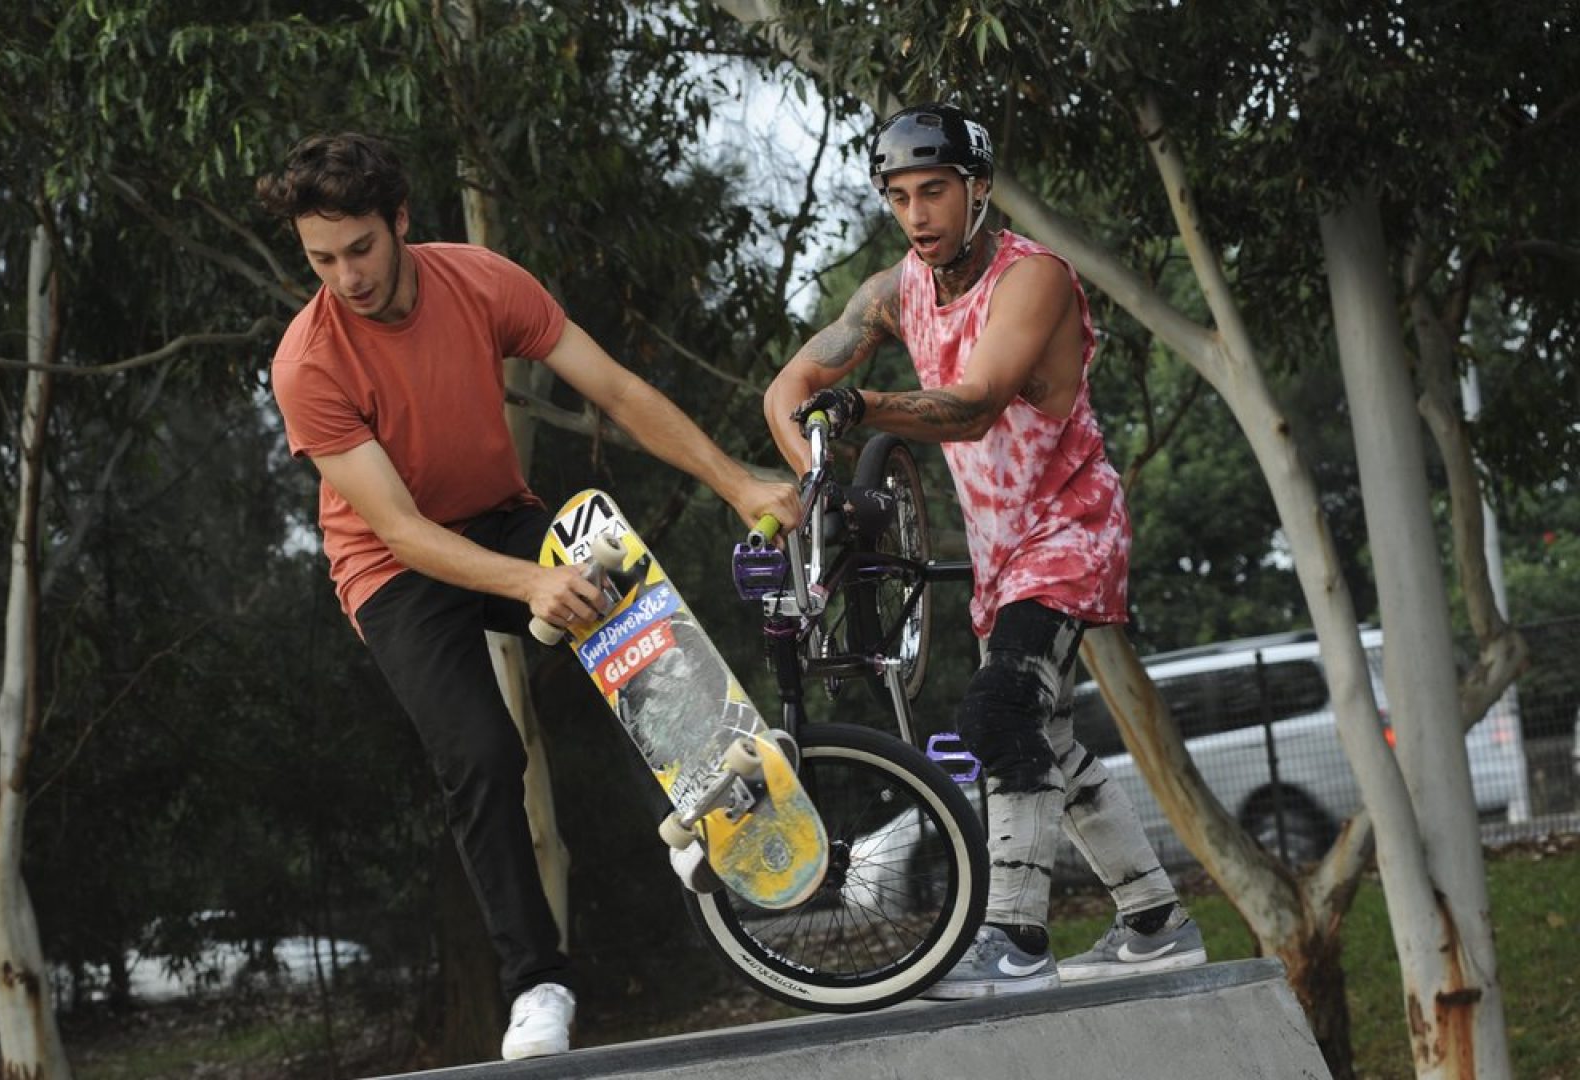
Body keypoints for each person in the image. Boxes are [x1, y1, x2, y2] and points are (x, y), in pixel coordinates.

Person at [256, 133, 799, 1059]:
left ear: (400, 222)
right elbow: (400, 531)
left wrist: (739, 483)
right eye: (320, 260)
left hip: (500, 515)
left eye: (360, 250)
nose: (344, 277)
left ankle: (707, 800)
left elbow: (618, 393)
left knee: (619, 581)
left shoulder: (482, 282)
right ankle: (538, 985)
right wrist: (535, 584)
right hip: (395, 572)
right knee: (482, 751)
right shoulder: (307, 363)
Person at [763, 103, 1206, 997]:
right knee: (1040, 737)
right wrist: (817, 479)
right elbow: (793, 383)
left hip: (1072, 532)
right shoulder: (894, 291)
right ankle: (1156, 923)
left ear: (978, 189)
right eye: (899, 197)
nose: (918, 214)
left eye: (935, 191)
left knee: (996, 715)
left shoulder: (1031, 280)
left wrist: (863, 409)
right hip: (1004, 552)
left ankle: (1014, 940)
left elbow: (975, 403)